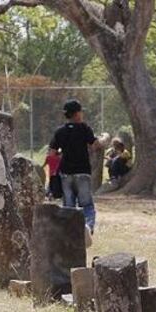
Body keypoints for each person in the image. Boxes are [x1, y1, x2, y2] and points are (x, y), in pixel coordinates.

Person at [49, 99, 105, 236]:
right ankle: (87, 228)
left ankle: (69, 232)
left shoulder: (60, 131)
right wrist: (103, 139)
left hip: (66, 172)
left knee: (68, 205)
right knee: (86, 204)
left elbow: (52, 153)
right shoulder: (84, 128)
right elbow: (95, 145)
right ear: (77, 114)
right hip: (82, 171)